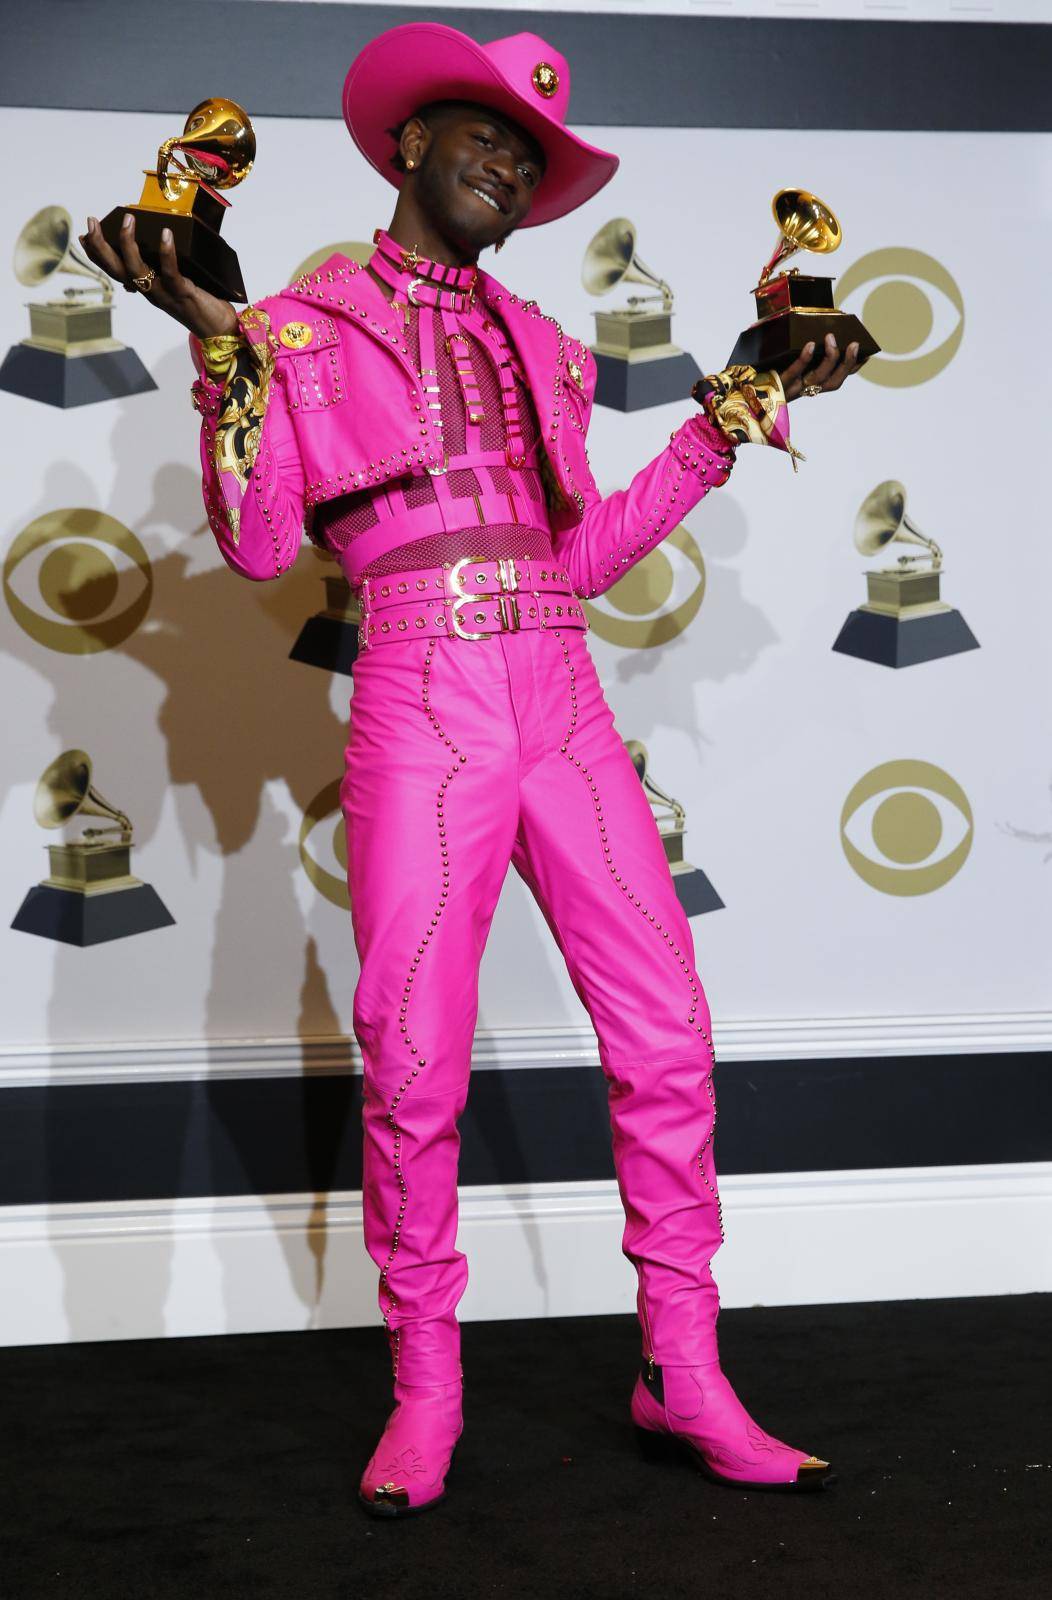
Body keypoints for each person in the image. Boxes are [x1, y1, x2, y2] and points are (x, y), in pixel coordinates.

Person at [80, 21, 859, 1518]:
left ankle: (682, 1372)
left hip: (560, 684)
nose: (510, 161)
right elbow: (254, 544)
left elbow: (585, 559)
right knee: (418, 1059)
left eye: (534, 152)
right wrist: (219, 351)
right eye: (484, 136)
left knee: (667, 1033)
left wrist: (718, 428)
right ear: (406, 149)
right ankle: (426, 1388)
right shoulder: (303, 325)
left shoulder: (553, 351)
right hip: (425, 698)